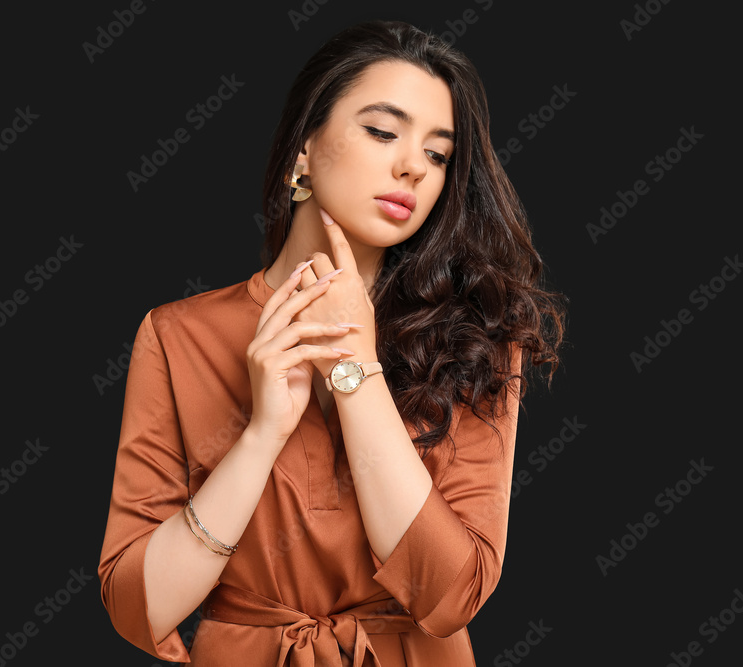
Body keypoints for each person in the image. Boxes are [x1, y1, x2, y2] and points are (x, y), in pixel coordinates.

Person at [99, 19, 565, 666]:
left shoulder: (477, 338)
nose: (412, 167)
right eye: (381, 131)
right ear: (304, 148)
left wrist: (356, 367)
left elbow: (451, 596)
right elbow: (138, 606)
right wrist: (261, 433)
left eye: (437, 154)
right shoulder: (179, 335)